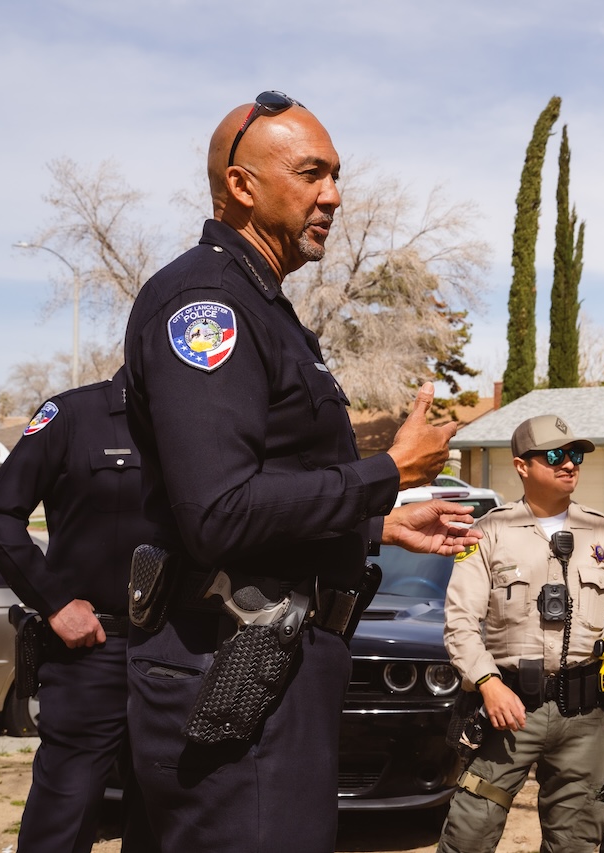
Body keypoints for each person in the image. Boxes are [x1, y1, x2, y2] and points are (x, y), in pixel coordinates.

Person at [122, 91, 481, 853]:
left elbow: (263, 495)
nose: (334, 195)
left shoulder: (264, 306)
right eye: (312, 173)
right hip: (234, 668)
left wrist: (374, 522)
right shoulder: (207, 305)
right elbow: (218, 511)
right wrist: (386, 471)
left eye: (336, 174)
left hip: (271, 667)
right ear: (241, 185)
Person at [0, 368, 156, 853]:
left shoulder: (203, 419)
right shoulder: (73, 415)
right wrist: (54, 602)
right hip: (93, 650)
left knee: (166, 815)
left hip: (181, 649)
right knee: (64, 813)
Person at [438, 414, 604, 853]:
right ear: (522, 465)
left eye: (576, 455)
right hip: (509, 711)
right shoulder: (487, 532)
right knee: (468, 833)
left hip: (587, 717)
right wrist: (487, 684)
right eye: (556, 455)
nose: (570, 465)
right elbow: (460, 622)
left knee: (578, 842)